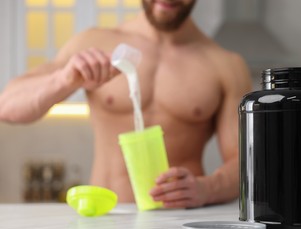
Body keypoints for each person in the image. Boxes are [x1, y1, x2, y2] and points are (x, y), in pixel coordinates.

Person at [0, 0, 252, 208]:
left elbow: (245, 164)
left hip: (181, 222)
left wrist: (206, 189)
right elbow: (7, 107)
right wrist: (62, 80)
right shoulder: (94, 41)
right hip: (105, 216)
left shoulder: (226, 65)